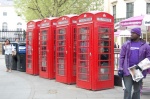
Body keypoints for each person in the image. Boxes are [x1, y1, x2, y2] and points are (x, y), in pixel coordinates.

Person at [118, 27, 150, 99]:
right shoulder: (126, 44)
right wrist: (120, 68)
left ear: (138, 34)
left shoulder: (145, 45)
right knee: (127, 90)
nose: (131, 34)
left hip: (138, 71)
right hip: (127, 70)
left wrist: (142, 65)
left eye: (133, 33)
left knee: (137, 90)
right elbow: (121, 57)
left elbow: (149, 57)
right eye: (131, 33)